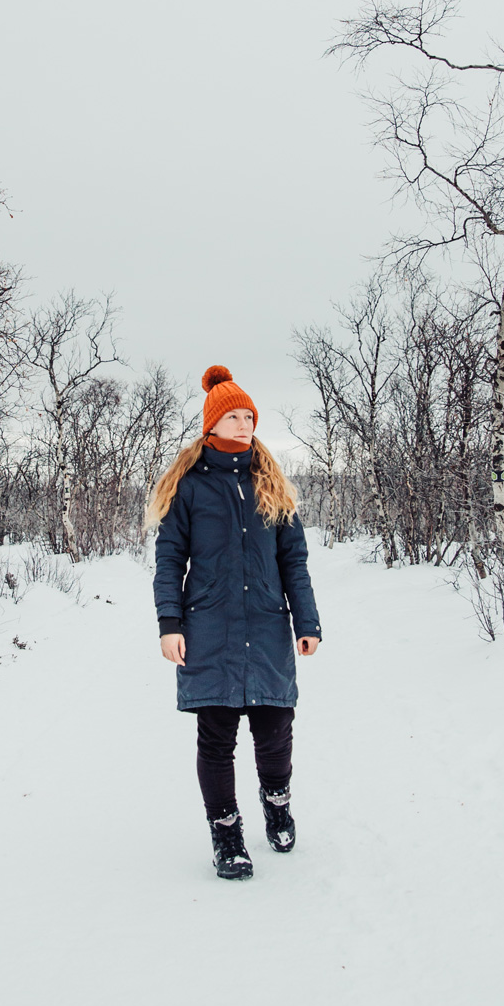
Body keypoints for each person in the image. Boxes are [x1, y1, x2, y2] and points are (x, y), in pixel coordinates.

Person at [146, 365, 322, 880]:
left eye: (249, 416)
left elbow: (294, 561)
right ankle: (227, 837)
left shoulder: (271, 485)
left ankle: (277, 804)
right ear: (212, 425)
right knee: (216, 738)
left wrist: (306, 622)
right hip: (210, 631)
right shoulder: (189, 489)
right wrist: (169, 623)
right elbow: (168, 560)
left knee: (275, 732)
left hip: (267, 627)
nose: (244, 424)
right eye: (234, 416)